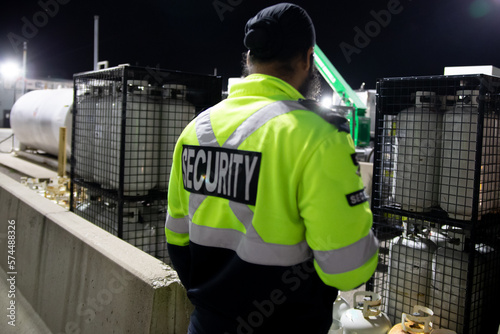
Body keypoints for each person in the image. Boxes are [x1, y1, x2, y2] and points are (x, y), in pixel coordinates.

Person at [165, 3, 379, 333]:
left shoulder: (195, 130)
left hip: (207, 324)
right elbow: (349, 269)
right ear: (308, 59)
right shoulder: (319, 138)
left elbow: (177, 241)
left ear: (249, 60)